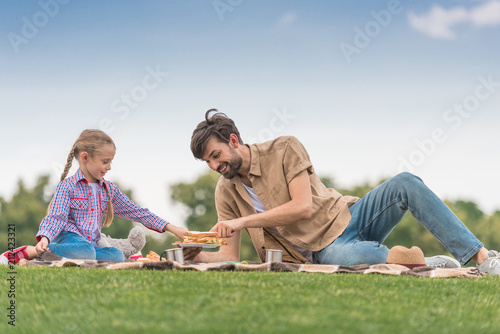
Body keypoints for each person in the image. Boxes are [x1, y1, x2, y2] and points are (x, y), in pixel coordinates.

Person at [185, 109, 500, 275]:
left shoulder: (284, 149)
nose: (214, 166)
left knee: (405, 181)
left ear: (234, 142)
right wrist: (197, 256)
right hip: (321, 254)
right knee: (344, 258)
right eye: (207, 162)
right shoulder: (226, 192)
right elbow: (229, 256)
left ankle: (482, 258)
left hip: (347, 218)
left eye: (216, 156)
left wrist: (243, 222)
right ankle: (423, 262)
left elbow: (303, 208)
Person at [1, 129, 186, 264]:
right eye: (105, 162)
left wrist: (171, 227)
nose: (109, 167)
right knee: (86, 250)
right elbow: (55, 218)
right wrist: (45, 239)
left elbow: (137, 212)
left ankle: (62, 257)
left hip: (90, 244)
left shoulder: (108, 189)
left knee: (115, 255)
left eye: (111, 162)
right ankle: (32, 251)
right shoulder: (68, 186)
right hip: (68, 238)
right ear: (85, 157)